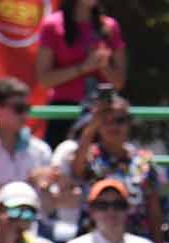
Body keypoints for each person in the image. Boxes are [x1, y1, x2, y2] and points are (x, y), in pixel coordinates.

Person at [67, 90, 165, 238]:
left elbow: (154, 210)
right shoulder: (89, 155)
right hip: (94, 240)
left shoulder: (144, 161)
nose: (114, 127)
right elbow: (76, 170)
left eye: (120, 120)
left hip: (135, 240)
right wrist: (93, 123)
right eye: (107, 121)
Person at [34, 0, 126, 145]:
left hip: (101, 112)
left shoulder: (110, 26)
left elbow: (119, 83)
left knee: (97, 165)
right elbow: (44, 80)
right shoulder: (52, 25)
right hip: (63, 113)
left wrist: (103, 66)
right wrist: (83, 67)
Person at [0, 77, 58, 191]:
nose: (25, 114)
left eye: (27, 108)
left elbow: (50, 206)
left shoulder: (41, 150)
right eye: (19, 108)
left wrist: (45, 189)